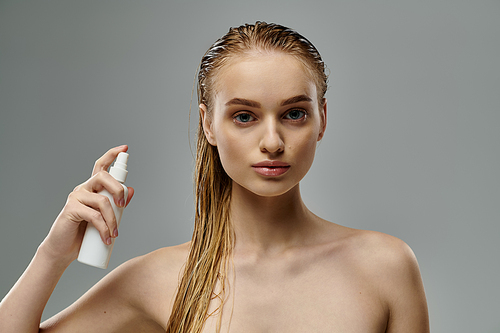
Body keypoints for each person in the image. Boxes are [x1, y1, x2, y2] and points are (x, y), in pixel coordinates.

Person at [0, 22, 429, 332]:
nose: (273, 141)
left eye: (294, 113)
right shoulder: (157, 280)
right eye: (244, 116)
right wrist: (52, 253)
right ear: (208, 126)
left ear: (322, 119)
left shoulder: (385, 268)